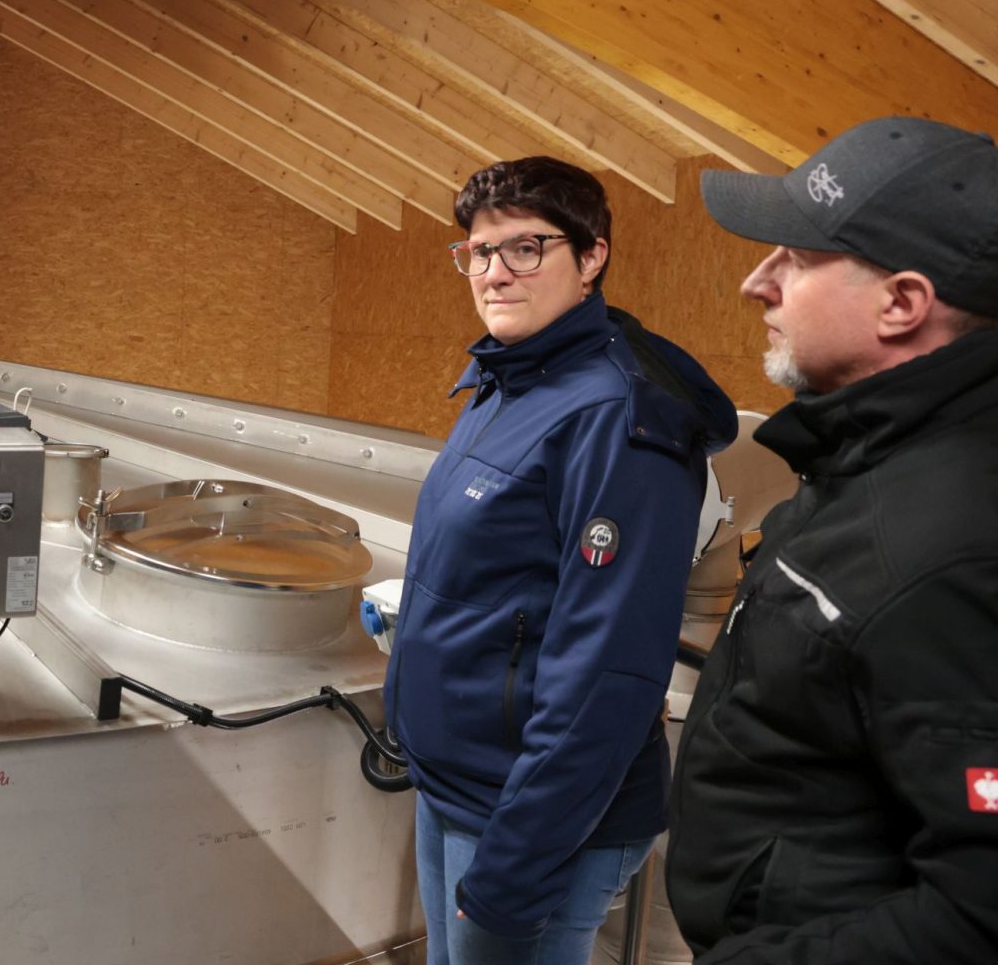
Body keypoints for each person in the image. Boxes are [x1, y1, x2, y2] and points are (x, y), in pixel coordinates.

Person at [385, 156, 736, 963]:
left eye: (525, 248)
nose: (494, 272)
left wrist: (515, 865)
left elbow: (605, 672)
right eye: (479, 251)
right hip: (462, 788)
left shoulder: (615, 419)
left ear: (592, 257)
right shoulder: (507, 377)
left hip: (533, 821)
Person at [666, 117, 998, 963]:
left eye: (796, 259)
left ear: (902, 304)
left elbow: (978, 914)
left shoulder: (949, 546)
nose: (757, 282)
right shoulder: (864, 455)